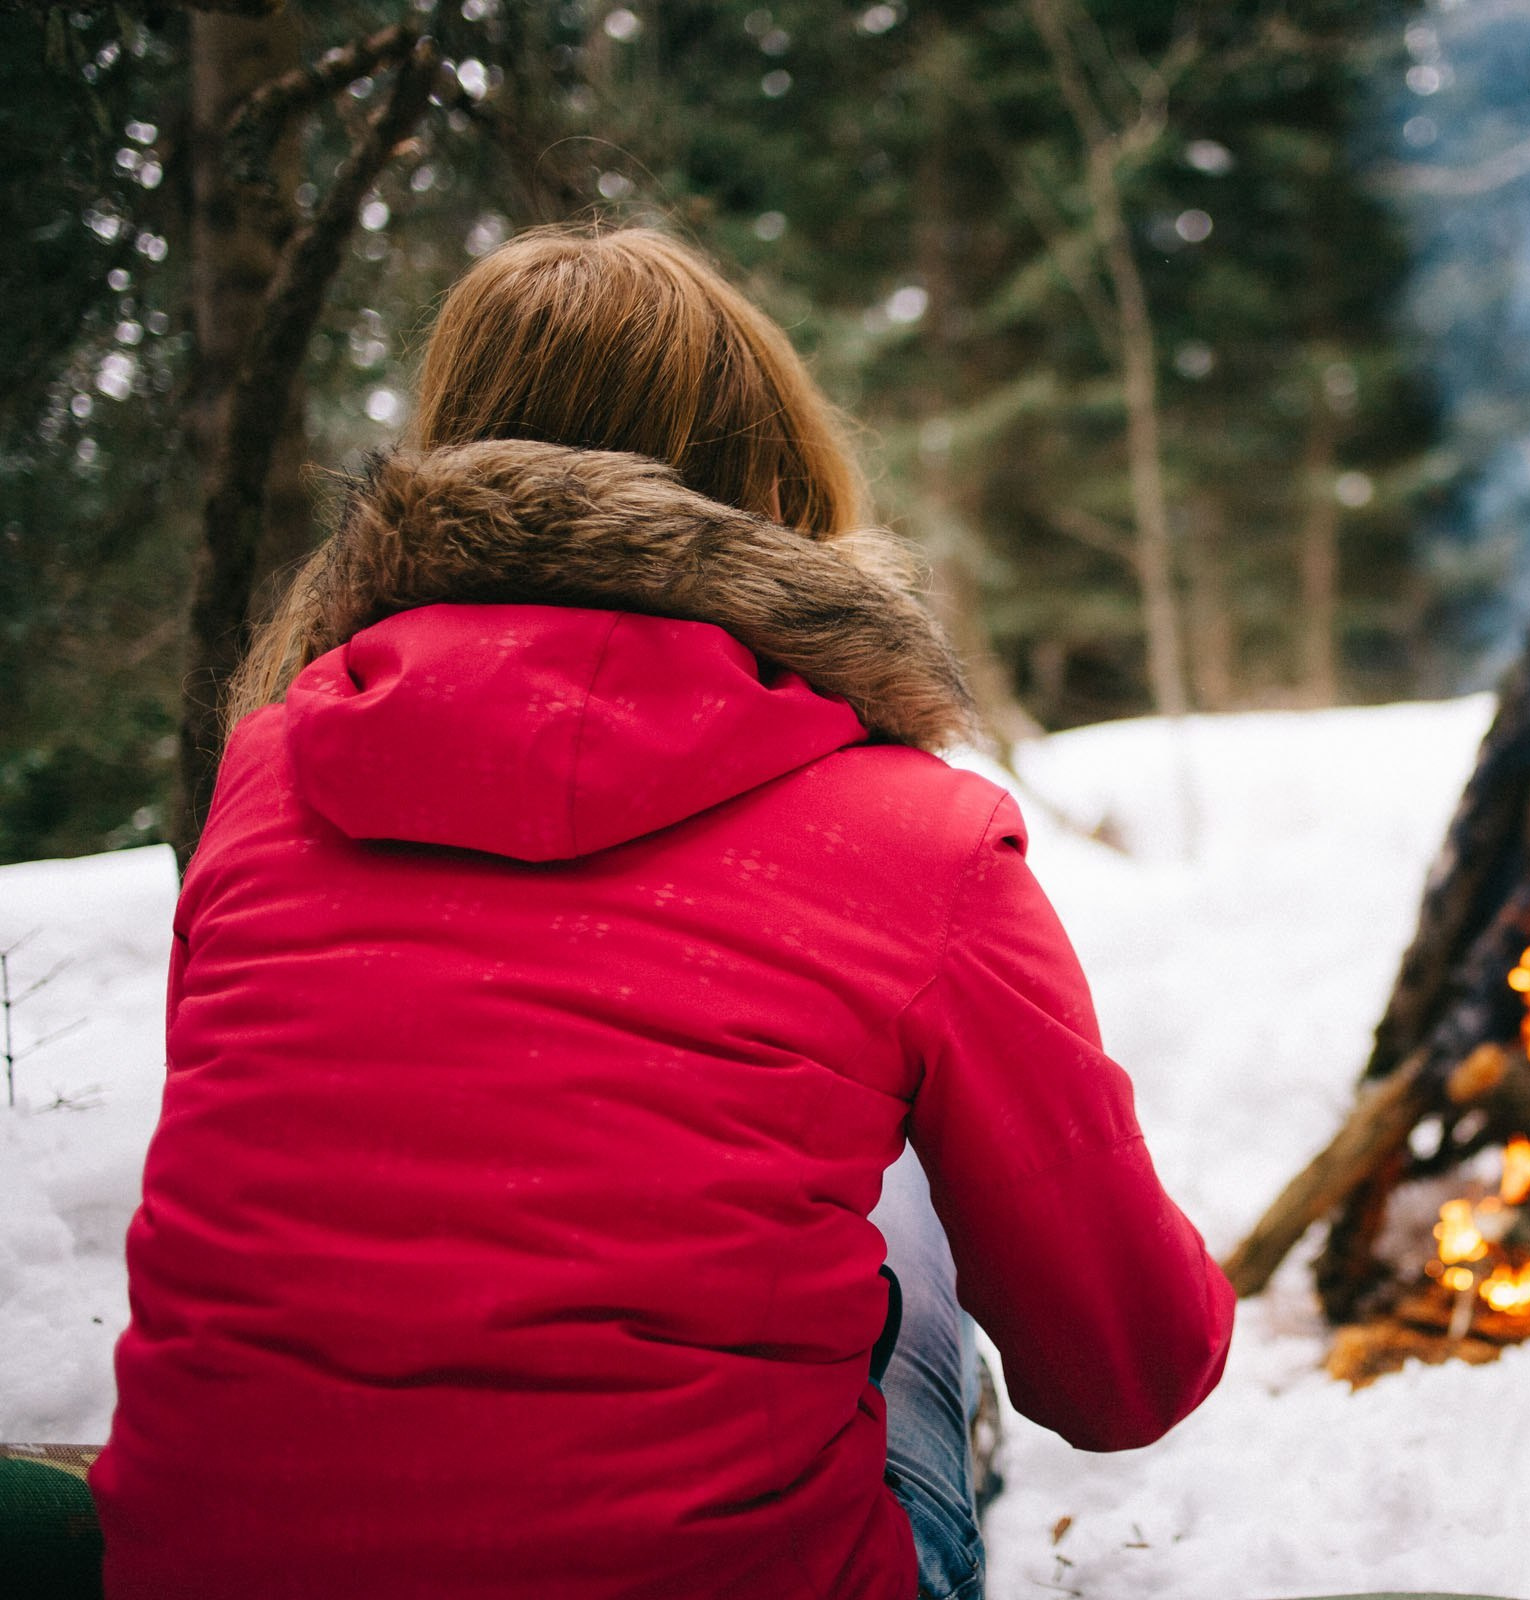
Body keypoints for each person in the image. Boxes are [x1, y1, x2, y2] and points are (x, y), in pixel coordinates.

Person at [90, 225, 1235, 1600]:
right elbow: (1128, 1372)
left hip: (219, 1570)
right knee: (906, 1211)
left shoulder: (271, 775)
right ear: (770, 480)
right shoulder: (915, 835)